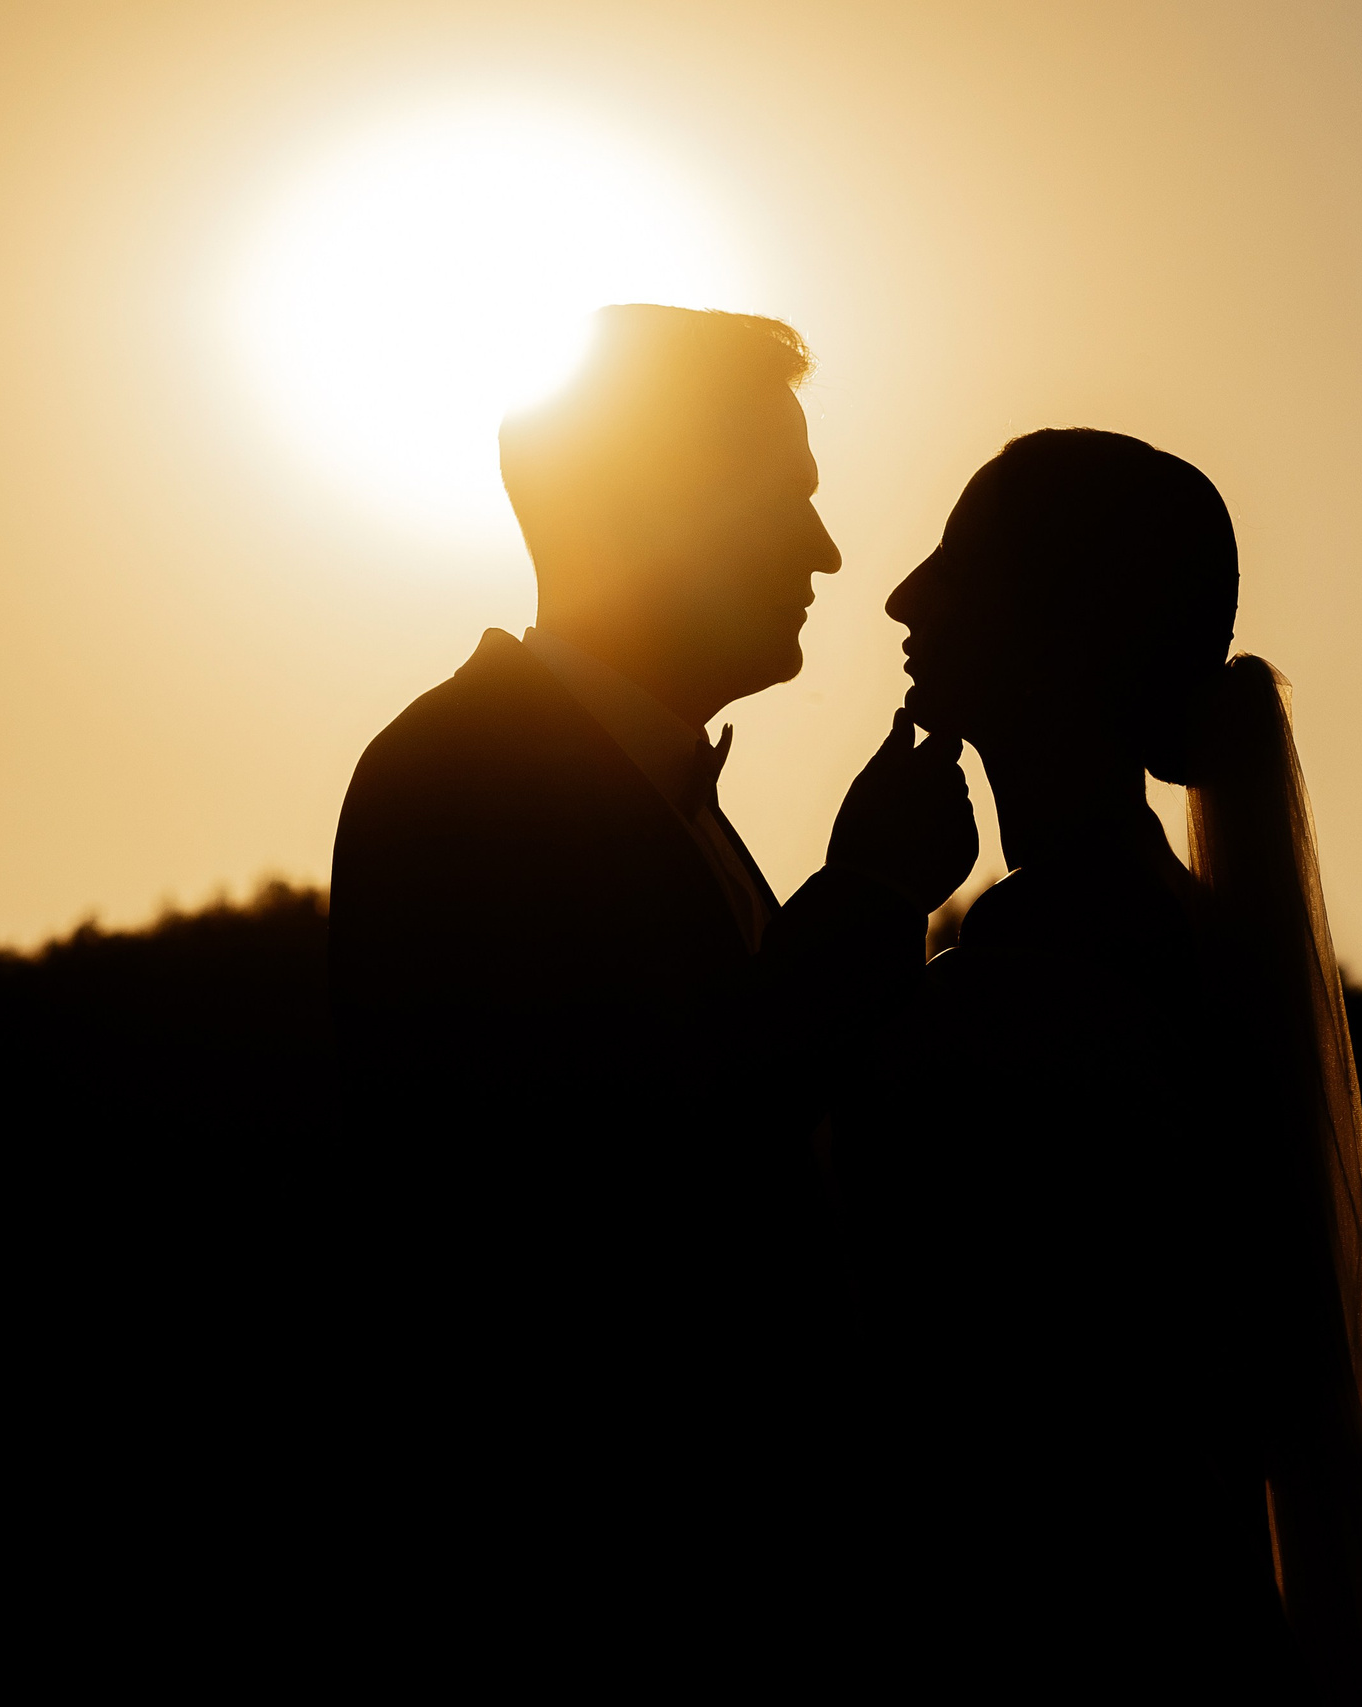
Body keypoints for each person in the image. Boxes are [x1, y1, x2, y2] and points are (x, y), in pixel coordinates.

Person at [323, 306, 977, 1686]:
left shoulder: (670, 808)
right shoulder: (460, 776)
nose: (827, 551)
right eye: (790, 498)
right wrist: (864, 905)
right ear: (663, 508)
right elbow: (613, 1182)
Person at [830, 430, 1362, 1705]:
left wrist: (860, 911)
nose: (900, 598)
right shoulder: (1160, 946)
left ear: (1050, 631)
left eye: (955, 568)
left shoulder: (1037, 995)